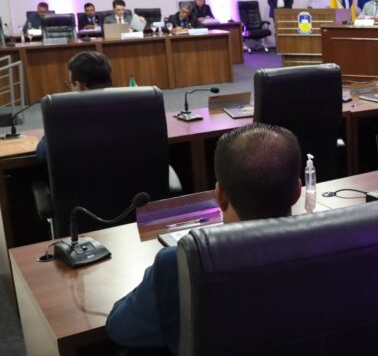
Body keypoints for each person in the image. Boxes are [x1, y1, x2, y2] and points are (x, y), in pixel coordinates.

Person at [105, 124, 303, 355]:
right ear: (297, 191)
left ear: (219, 196)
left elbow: (119, 328)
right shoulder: (331, 246)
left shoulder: (179, 263)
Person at [35, 51, 113, 161]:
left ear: (79, 85)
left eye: (70, 84)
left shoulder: (68, 116)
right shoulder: (131, 107)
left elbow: (43, 153)